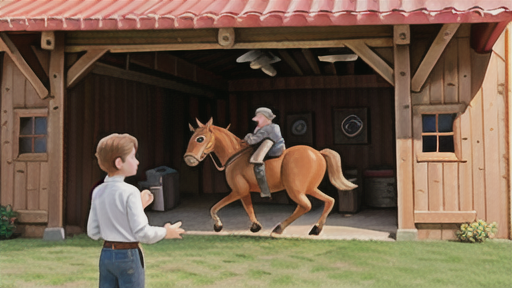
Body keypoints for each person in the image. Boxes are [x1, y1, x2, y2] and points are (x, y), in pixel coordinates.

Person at [87, 133, 185, 288]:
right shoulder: (130, 192)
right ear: (119, 162)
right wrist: (166, 232)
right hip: (128, 255)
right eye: (133, 157)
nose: (137, 161)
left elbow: (93, 232)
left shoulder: (98, 191)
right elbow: (142, 233)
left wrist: (136, 208)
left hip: (105, 255)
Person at [244, 107, 286, 198]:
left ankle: (264, 189)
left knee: (257, 162)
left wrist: (248, 136)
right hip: (277, 147)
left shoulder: (267, 129)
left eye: (259, 118)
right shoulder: (273, 126)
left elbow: (252, 141)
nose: (257, 121)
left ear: (265, 118)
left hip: (273, 150)